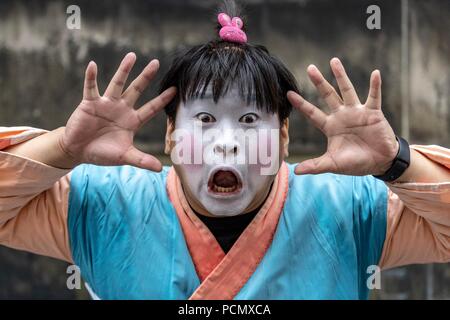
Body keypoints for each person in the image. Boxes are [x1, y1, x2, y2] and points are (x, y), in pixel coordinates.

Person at [0, 1, 449, 299]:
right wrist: (63, 147)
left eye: (251, 121)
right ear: (172, 134)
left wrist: (396, 163)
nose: (228, 141)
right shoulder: (101, 204)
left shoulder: (348, 207)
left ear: (285, 139)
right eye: (206, 120)